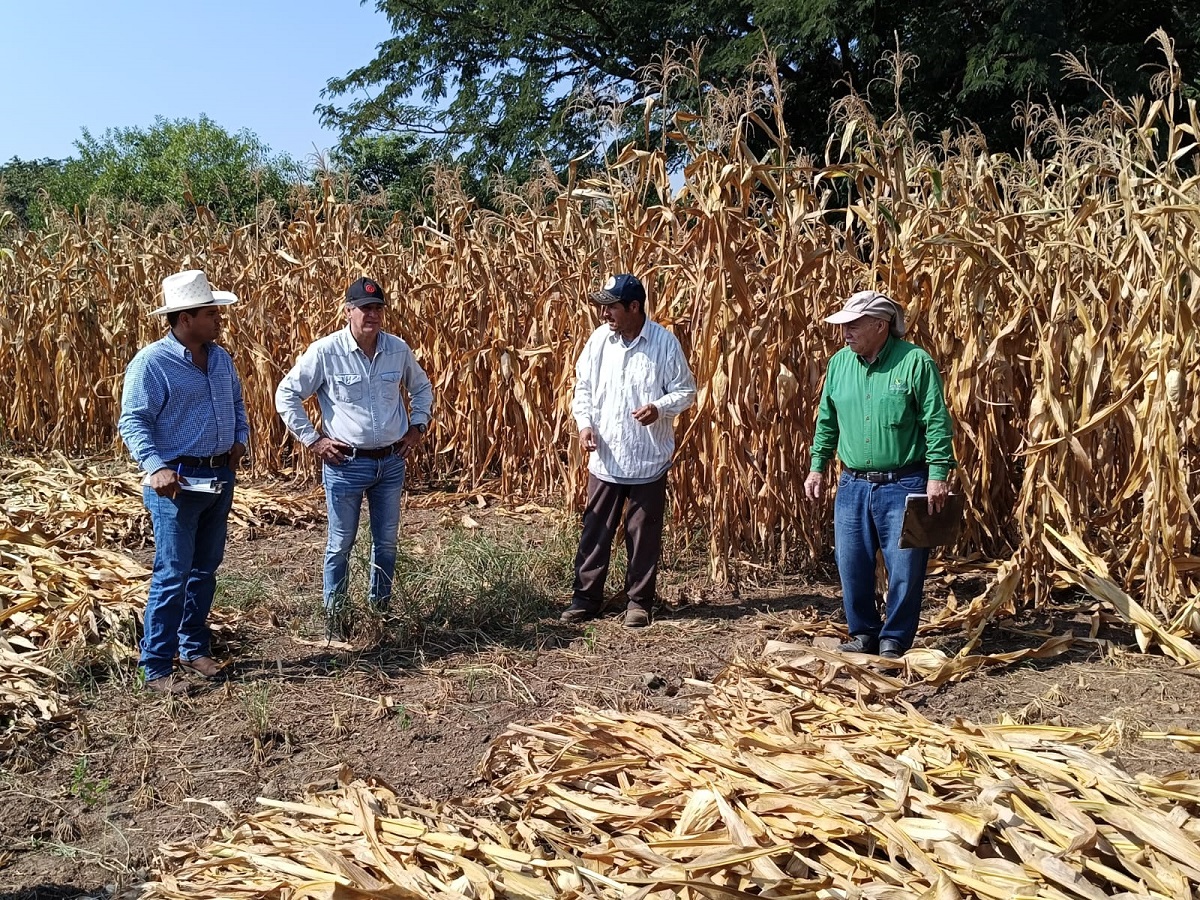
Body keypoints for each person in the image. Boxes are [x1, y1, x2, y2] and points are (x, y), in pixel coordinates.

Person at [275, 277, 433, 641]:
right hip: (345, 464)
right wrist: (314, 441)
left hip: (391, 461)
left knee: (387, 543)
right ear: (348, 311)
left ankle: (380, 616)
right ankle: (336, 620)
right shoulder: (325, 352)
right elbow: (287, 394)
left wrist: (417, 427)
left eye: (378, 308)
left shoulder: (397, 349)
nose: (372, 315)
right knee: (340, 543)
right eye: (365, 308)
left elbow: (422, 388)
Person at [804, 290, 956, 659]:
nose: (846, 332)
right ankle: (864, 633)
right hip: (853, 483)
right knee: (850, 561)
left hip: (905, 482)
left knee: (905, 566)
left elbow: (936, 420)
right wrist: (817, 466)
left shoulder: (915, 363)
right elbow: (827, 420)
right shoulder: (840, 364)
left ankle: (894, 640)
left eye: (853, 325)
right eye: (844, 325)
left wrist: (938, 473)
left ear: (880, 325)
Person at [118, 270, 249, 695]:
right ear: (185, 318)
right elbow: (133, 421)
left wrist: (239, 440)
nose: (218, 319)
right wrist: (155, 466)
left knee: (205, 569)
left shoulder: (220, 358)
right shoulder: (152, 363)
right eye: (211, 312)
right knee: (172, 573)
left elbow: (237, 404)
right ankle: (156, 664)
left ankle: (193, 648)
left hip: (218, 476)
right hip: (176, 481)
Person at [561, 273, 697, 628]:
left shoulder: (665, 345)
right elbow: (584, 388)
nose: (605, 314)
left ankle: (638, 602)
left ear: (634, 307)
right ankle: (586, 598)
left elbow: (686, 391)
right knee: (595, 529)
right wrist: (584, 424)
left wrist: (660, 408)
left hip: (647, 458)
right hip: (605, 457)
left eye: (611, 307)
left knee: (643, 532)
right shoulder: (599, 342)